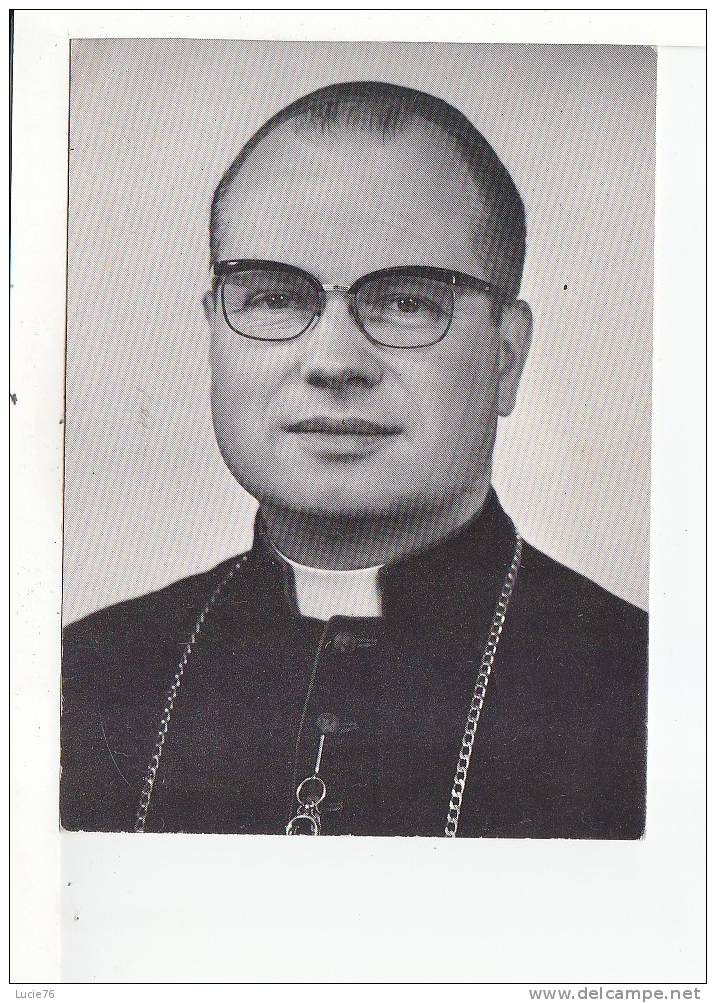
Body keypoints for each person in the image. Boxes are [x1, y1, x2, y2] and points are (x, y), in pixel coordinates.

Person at [61, 81, 647, 838]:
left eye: (407, 301)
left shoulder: (651, 690)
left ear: (506, 355)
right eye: (273, 296)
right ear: (215, 330)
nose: (335, 361)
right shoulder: (81, 677)